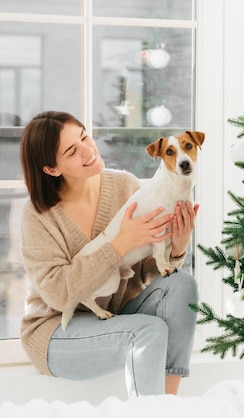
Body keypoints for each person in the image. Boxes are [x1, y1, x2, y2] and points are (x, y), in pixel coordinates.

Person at [19, 110, 199, 398]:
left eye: (84, 137)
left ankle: (168, 405)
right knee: (148, 330)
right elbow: (58, 295)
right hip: (57, 333)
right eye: (72, 151)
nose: (88, 150)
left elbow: (144, 272)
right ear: (52, 168)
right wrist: (117, 246)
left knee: (183, 285)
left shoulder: (124, 185)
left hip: (116, 316)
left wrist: (177, 245)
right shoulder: (38, 215)